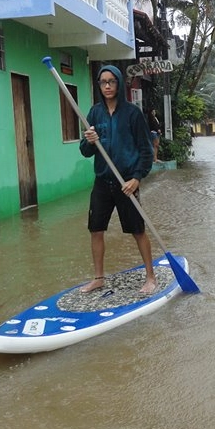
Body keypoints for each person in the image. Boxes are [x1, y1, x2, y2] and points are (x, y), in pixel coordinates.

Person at [79, 65, 157, 294]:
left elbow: (145, 150)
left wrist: (137, 178)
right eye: (103, 82)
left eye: (111, 81)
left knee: (138, 230)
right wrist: (90, 141)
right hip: (103, 181)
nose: (107, 86)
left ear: (119, 83)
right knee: (95, 229)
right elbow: (84, 151)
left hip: (126, 183)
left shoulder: (132, 114)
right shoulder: (95, 113)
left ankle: (150, 277)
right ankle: (98, 278)